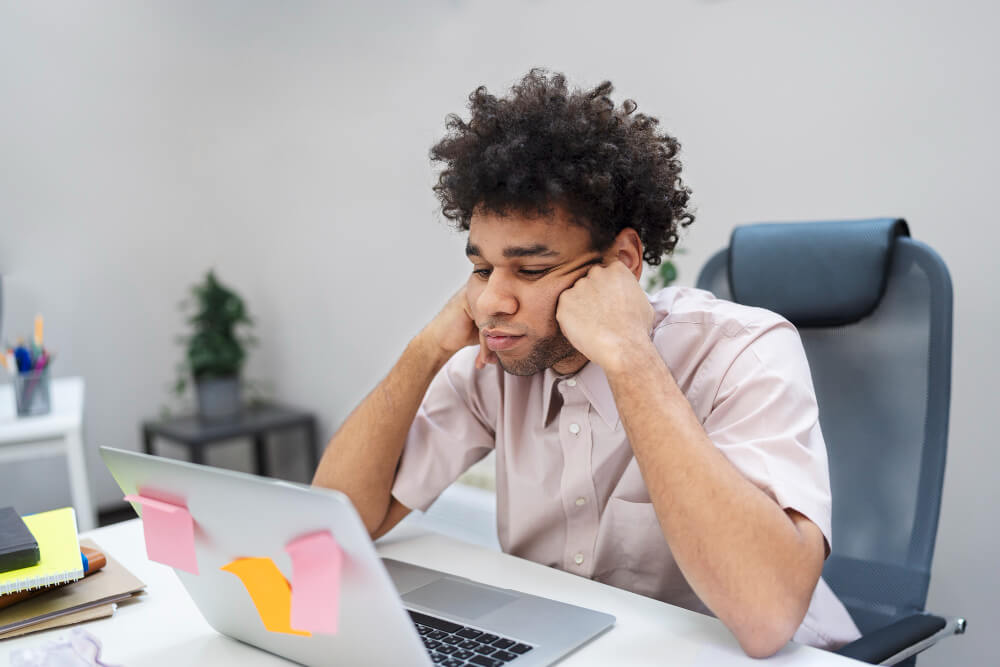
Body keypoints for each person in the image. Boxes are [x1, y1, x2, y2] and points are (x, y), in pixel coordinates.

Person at [312, 69, 860, 658]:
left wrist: (628, 357)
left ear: (621, 262)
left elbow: (767, 616)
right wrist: (426, 349)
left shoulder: (742, 351)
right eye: (480, 268)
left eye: (530, 269)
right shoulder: (500, 359)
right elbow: (337, 525)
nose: (493, 300)